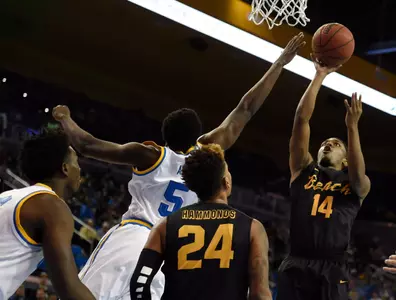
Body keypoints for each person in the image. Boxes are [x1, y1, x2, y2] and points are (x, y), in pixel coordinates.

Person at [52, 32, 305, 300]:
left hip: (134, 237)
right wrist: (279, 64)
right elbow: (246, 108)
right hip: (174, 251)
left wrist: (65, 118)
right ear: (199, 137)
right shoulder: (204, 161)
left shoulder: (150, 155)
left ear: (165, 137)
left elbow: (88, 145)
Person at [276, 56, 371, 300]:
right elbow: (301, 120)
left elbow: (359, 171)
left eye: (336, 144)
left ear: (346, 158)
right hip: (296, 262)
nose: (328, 144)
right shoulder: (302, 169)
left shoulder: (356, 184)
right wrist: (319, 76)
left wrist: (352, 128)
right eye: (324, 143)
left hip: (332, 268)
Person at [130, 144, 271, 300]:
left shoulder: (165, 225)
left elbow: (140, 283)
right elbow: (259, 294)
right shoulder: (252, 228)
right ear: (226, 182)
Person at [0, 130, 95, 300]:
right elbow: (68, 288)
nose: (80, 169)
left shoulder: (8, 197)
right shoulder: (52, 207)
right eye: (76, 162)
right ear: (65, 168)